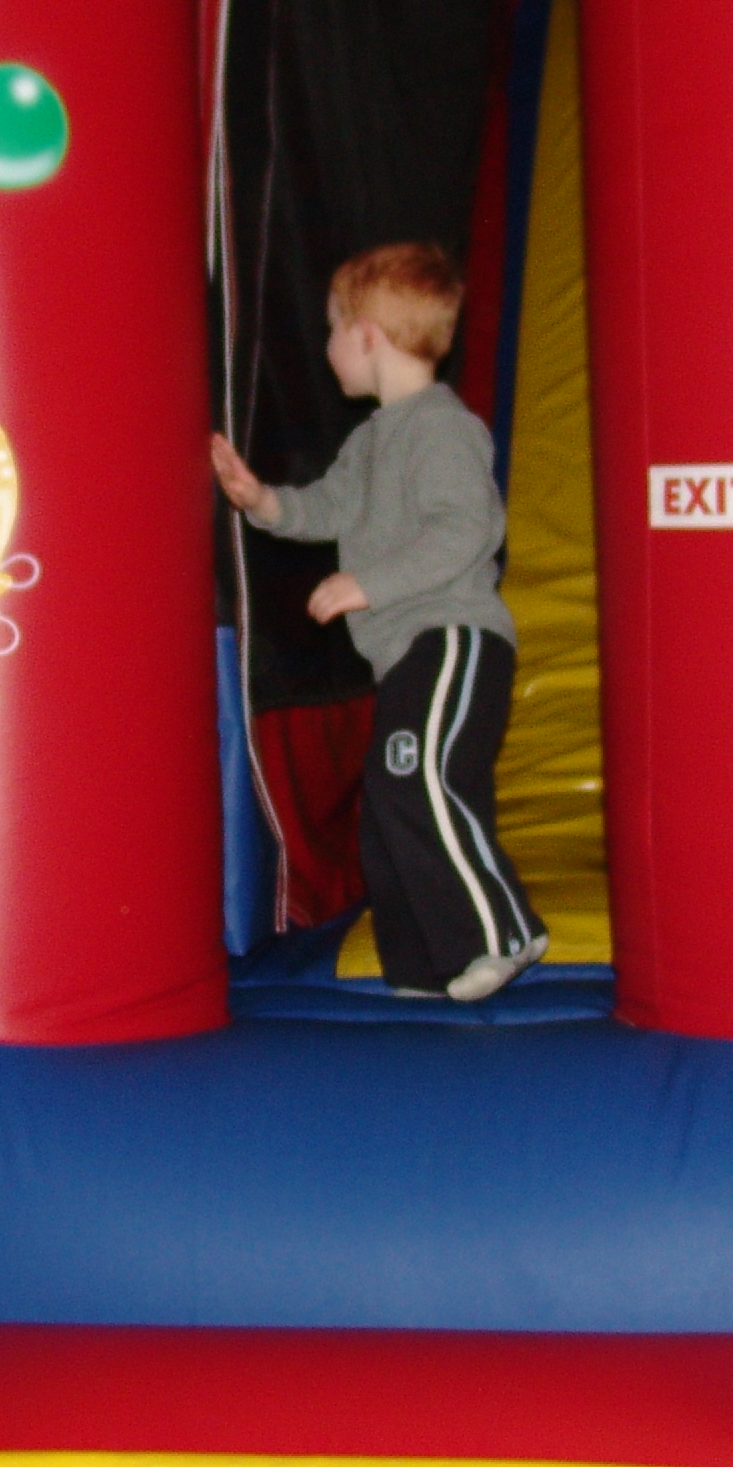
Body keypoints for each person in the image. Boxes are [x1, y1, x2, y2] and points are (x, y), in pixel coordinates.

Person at [212, 241, 544, 1001]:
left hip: (454, 639)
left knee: (420, 782)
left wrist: (369, 582)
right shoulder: (371, 441)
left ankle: (503, 932)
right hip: (409, 653)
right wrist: (262, 501)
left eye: (333, 328)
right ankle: (424, 971)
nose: (327, 346)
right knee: (388, 810)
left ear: (367, 334)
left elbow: (467, 529)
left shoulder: (441, 427)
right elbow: (326, 509)